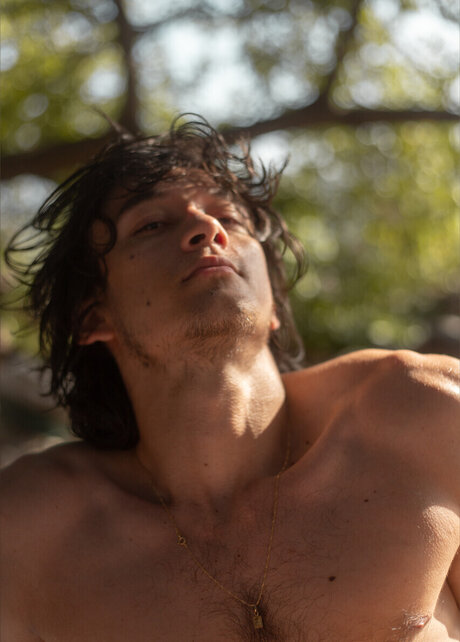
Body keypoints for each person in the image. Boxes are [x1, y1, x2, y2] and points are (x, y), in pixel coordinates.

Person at [1, 115, 458, 642]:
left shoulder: (426, 412)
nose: (208, 230)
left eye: (230, 218)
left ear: (274, 305)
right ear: (92, 315)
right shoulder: (28, 533)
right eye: (152, 225)